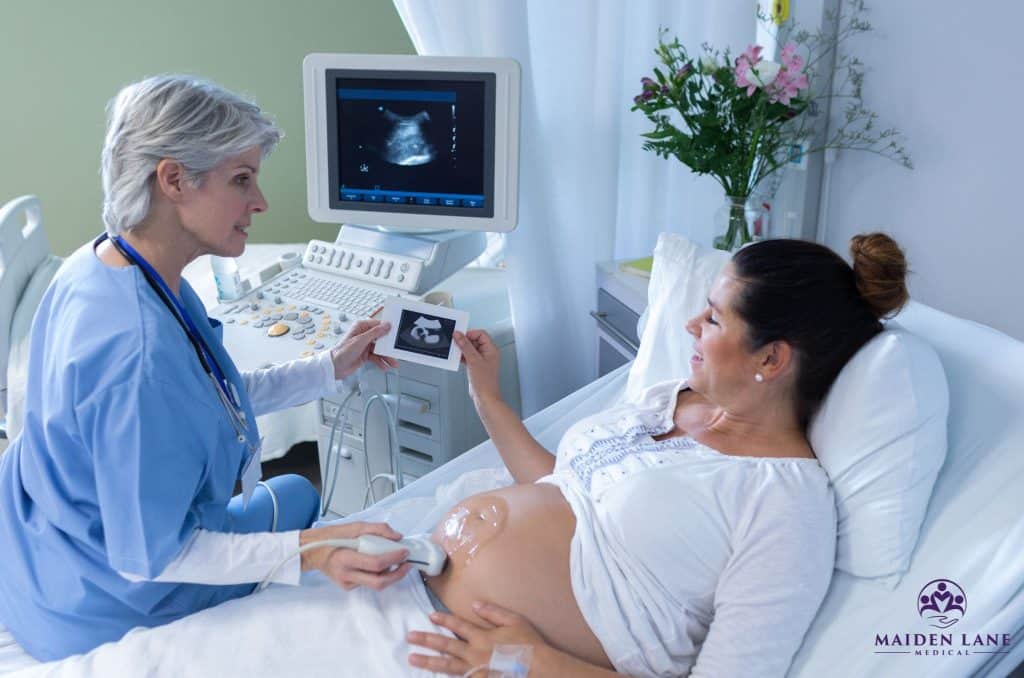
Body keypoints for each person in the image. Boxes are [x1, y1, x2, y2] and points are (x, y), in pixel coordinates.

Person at [0, 75, 411, 661]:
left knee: (291, 496)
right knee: (297, 497)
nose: (261, 202)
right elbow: (152, 556)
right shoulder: (136, 357)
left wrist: (329, 367)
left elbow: (202, 392)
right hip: (104, 599)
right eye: (241, 180)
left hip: (35, 553)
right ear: (173, 180)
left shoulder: (108, 265)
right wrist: (312, 550)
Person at [405, 233, 910, 676]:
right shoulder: (670, 398)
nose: (691, 324)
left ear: (772, 358)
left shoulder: (785, 505)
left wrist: (532, 665)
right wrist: (487, 397)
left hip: (484, 663)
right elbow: (562, 490)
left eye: (713, 317)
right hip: (417, 594)